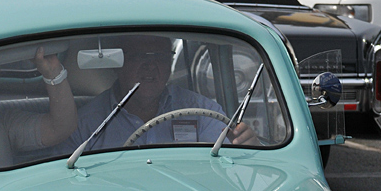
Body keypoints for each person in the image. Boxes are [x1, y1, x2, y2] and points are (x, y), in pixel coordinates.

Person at [73, 35, 258, 150]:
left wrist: (247, 148)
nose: (150, 66)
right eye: (139, 56)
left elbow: (224, 166)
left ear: (170, 64)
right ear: (117, 65)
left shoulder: (201, 112)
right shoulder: (87, 124)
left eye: (159, 57)